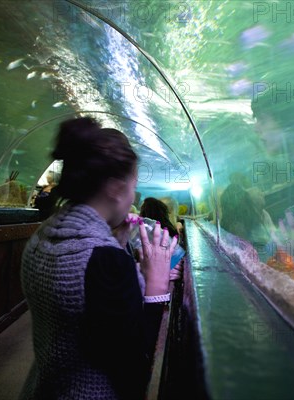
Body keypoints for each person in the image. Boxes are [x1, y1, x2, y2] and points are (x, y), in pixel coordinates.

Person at [20, 117, 179, 400]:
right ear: (117, 188)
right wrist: (155, 287)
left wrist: (127, 262)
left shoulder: (42, 237)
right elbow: (135, 365)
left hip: (44, 387)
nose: (132, 195)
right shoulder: (104, 260)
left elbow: (89, 317)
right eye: (133, 185)